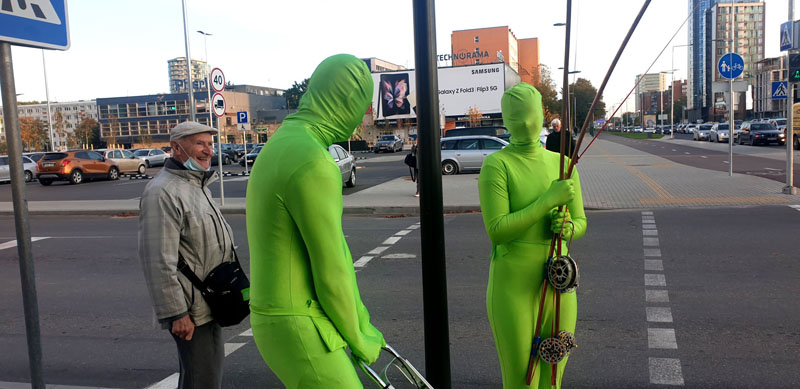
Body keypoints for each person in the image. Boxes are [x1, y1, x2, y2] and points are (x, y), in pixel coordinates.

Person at [246, 54, 385, 387]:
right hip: (300, 319)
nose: (356, 121)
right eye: (360, 106)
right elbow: (332, 265)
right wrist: (359, 335)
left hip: (273, 315)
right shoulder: (314, 161)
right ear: (345, 101)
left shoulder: (279, 144)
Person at [478, 83, 587, 388]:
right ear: (506, 120)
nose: (525, 123)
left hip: (559, 283)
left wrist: (569, 227)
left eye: (530, 115)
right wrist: (547, 201)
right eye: (517, 117)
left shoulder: (564, 165)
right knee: (522, 379)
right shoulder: (497, 165)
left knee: (554, 377)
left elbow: (580, 221)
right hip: (513, 285)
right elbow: (497, 231)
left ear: (542, 114)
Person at [139, 121, 235, 389]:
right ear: (176, 148)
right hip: (191, 310)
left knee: (203, 377)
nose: (208, 151)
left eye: (210, 144)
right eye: (199, 144)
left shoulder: (197, 186)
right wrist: (176, 313)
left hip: (210, 302)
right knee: (201, 380)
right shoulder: (163, 192)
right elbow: (158, 259)